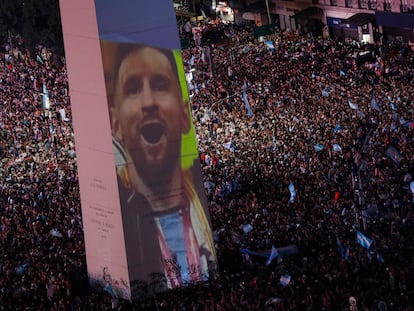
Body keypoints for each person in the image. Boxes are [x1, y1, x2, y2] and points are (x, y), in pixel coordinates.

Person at [103, 42, 217, 291]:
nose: (148, 102)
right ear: (115, 124)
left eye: (160, 85)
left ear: (185, 115)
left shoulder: (205, 219)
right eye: (133, 89)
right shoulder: (118, 231)